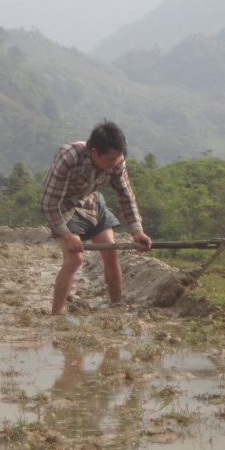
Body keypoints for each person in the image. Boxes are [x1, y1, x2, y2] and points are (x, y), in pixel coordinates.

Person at [40, 120, 152, 314]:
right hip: (64, 206)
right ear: (94, 152)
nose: (115, 163)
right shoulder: (68, 157)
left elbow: (125, 196)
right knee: (74, 259)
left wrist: (137, 231)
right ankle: (55, 316)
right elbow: (49, 203)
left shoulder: (117, 161)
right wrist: (67, 236)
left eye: (118, 158)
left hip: (91, 201)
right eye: (110, 159)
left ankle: (116, 308)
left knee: (111, 252)